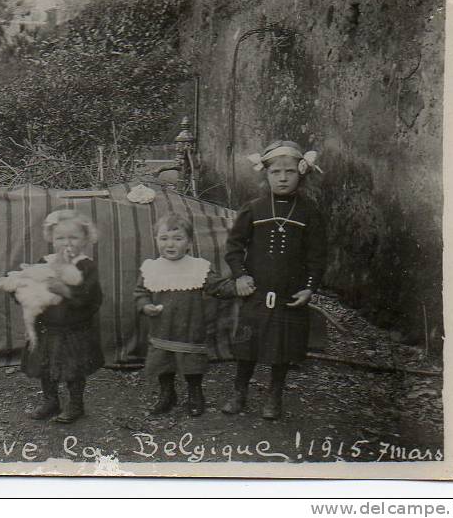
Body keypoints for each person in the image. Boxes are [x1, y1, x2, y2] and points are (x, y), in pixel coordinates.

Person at [222, 140, 326, 420]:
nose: (282, 177)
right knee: (247, 345)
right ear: (266, 175)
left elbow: (318, 255)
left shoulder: (309, 212)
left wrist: (309, 288)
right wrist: (240, 276)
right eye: (276, 172)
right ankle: (239, 392)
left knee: (283, 348)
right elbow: (233, 247)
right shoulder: (253, 209)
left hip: (289, 295)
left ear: (301, 173)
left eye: (289, 172)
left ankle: (274, 396)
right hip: (255, 292)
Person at [135, 213, 236, 417]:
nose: (170, 244)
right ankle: (167, 393)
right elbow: (140, 293)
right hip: (162, 329)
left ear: (189, 242)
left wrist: (237, 287)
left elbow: (218, 287)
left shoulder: (198, 267)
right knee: (163, 363)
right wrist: (145, 306)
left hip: (190, 329)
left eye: (177, 239)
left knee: (192, 365)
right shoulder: (151, 268)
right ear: (156, 240)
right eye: (164, 239)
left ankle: (195, 394)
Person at [19, 210, 104, 424]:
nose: (67, 243)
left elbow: (92, 297)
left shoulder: (86, 266)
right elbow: (32, 290)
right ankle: (51, 401)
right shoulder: (44, 262)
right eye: (60, 238)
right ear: (51, 239)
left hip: (74, 328)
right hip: (46, 326)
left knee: (73, 367)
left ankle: (76, 403)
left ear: (86, 239)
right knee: (45, 366)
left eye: (74, 237)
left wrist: (64, 291)